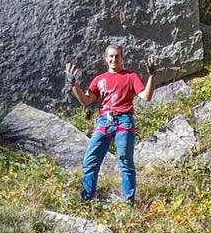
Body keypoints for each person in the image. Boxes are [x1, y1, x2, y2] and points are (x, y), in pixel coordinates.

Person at [65, 44, 156, 204]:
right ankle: (86, 200)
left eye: (117, 56)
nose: (114, 59)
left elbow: (146, 96)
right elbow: (86, 101)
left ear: (122, 58)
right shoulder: (99, 79)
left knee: (125, 161)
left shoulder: (131, 76)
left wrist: (151, 77)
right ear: (106, 59)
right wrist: (73, 85)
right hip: (104, 121)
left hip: (124, 121)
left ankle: (128, 202)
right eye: (111, 56)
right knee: (90, 160)